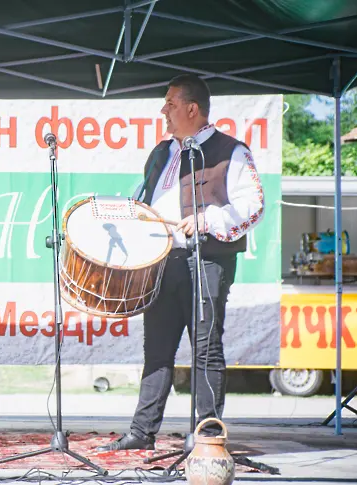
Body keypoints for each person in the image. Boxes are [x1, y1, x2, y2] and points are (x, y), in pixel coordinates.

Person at [96, 74, 265, 451]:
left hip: (206, 260)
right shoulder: (162, 152)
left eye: (170, 104)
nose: (163, 110)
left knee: (206, 349)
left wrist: (207, 220)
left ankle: (207, 434)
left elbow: (254, 206)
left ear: (192, 109)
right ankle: (142, 432)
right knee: (156, 349)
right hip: (162, 262)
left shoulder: (230, 151)